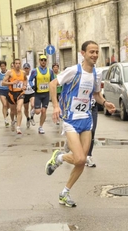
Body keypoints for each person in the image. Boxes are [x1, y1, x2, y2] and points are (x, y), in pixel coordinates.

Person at [45, 40, 116, 207]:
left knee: (82, 161)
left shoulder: (96, 74)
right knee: (79, 157)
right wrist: (55, 106)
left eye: (97, 52)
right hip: (70, 119)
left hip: (86, 119)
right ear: (83, 53)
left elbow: (96, 94)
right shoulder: (73, 71)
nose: (95, 55)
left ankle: (64, 192)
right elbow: (53, 84)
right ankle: (59, 157)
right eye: (91, 52)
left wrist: (105, 103)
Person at [29, 55, 55, 134]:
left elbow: (53, 81)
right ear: (39, 61)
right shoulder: (35, 71)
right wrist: (33, 86)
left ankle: (40, 127)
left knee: (44, 111)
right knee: (38, 111)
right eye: (41, 60)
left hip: (46, 94)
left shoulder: (50, 71)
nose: (43, 61)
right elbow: (30, 80)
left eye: (44, 60)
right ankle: (33, 111)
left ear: (46, 61)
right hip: (38, 94)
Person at [2, 59, 27, 134]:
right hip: (11, 94)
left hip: (20, 93)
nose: (18, 65)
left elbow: (25, 80)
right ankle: (12, 120)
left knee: (19, 109)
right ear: (14, 64)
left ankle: (18, 127)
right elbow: (3, 83)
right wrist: (12, 82)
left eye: (19, 63)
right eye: (16, 63)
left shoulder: (23, 73)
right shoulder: (10, 72)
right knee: (13, 111)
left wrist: (25, 86)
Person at [0, 61, 11, 127]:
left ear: (5, 66)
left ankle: (6, 110)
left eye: (3, 66)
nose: (2, 67)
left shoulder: (9, 72)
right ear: (0, 67)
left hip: (8, 90)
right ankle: (5, 120)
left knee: (8, 105)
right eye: (1, 66)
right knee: (4, 104)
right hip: (2, 91)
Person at [22, 62, 36, 128]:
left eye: (27, 68)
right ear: (23, 68)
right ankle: (28, 118)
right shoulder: (21, 75)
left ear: (29, 68)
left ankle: (32, 116)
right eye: (25, 68)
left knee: (33, 105)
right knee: (26, 108)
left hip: (32, 92)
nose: (26, 69)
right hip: (25, 94)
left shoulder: (32, 74)